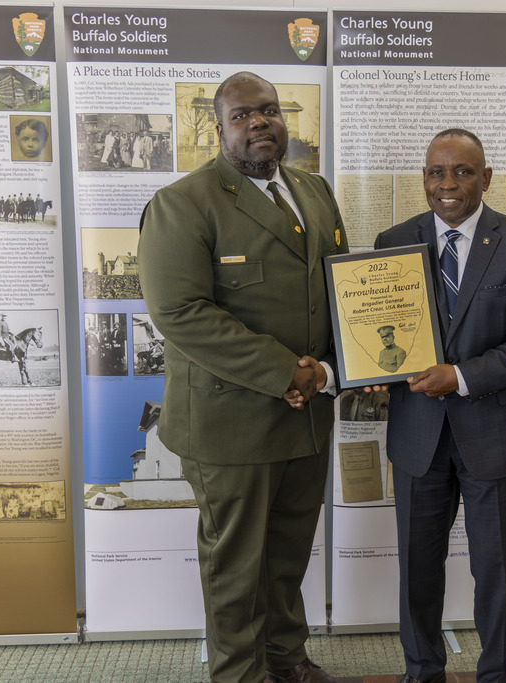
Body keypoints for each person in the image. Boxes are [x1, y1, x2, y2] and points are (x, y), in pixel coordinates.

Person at [138, 71, 347, 683]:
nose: (259, 123)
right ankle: (238, 674)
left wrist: (339, 368)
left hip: (306, 417)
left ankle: (285, 660)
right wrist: (289, 370)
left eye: (270, 111)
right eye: (242, 115)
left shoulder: (314, 191)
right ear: (219, 126)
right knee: (235, 567)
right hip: (230, 423)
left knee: (286, 557)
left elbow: (337, 292)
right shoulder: (183, 202)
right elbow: (180, 314)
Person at [373, 129, 506, 683]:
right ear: (424, 178)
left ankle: (496, 676)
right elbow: (377, 326)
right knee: (418, 572)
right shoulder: (393, 241)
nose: (447, 184)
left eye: (462, 172)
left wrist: (459, 376)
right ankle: (422, 673)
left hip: (495, 437)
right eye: (436, 172)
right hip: (418, 438)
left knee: (497, 573)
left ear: (486, 177)